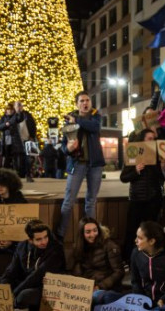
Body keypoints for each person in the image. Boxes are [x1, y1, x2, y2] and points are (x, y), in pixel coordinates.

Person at [0, 220, 65, 311]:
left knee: (24, 295)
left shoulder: (56, 249)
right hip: (22, 283)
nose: (44, 241)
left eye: (45, 237)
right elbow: (10, 271)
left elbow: (36, 276)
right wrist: (3, 291)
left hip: (43, 288)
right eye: (39, 239)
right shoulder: (22, 246)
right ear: (30, 240)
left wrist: (14, 293)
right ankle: (5, 303)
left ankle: (9, 305)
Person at [57, 91, 104, 238]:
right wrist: (68, 149)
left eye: (87, 100)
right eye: (82, 101)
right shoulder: (69, 121)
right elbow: (64, 147)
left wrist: (76, 120)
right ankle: (60, 235)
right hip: (77, 164)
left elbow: (94, 128)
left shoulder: (95, 116)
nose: (85, 103)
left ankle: (91, 235)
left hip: (95, 164)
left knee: (91, 201)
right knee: (68, 201)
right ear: (77, 104)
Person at [120, 128, 165, 259]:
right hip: (136, 199)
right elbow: (124, 177)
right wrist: (136, 170)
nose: (152, 141)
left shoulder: (157, 155)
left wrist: (160, 165)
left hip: (153, 199)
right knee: (132, 230)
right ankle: (129, 258)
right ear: (142, 140)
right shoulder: (133, 154)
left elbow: (163, 177)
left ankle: (150, 257)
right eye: (149, 139)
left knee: (151, 230)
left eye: (154, 139)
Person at [130, 221, 165, 311]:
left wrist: (163, 299)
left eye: (140, 238)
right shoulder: (136, 254)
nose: (135, 240)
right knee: (110, 296)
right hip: (145, 300)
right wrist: (141, 300)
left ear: (152, 241)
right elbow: (135, 281)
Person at [72, 218, 125, 306]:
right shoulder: (78, 247)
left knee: (97, 297)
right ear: (82, 234)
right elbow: (77, 272)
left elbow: (119, 272)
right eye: (88, 232)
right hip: (87, 288)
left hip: (106, 288)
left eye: (95, 230)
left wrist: (99, 286)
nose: (92, 234)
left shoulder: (110, 245)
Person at [0, 103, 25, 173]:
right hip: (6, 141)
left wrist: (19, 111)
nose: (10, 111)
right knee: (6, 159)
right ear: (6, 110)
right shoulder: (3, 118)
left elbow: (20, 118)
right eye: (8, 110)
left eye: (11, 110)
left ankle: (16, 173)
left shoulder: (15, 117)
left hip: (15, 141)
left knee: (16, 159)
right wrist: (5, 125)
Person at [14, 101, 38, 182]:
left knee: (29, 159)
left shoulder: (27, 115)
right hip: (17, 142)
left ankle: (28, 175)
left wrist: (32, 136)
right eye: (17, 105)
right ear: (14, 107)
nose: (19, 107)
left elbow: (33, 126)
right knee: (18, 160)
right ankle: (19, 176)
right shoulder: (13, 116)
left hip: (27, 140)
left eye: (20, 105)